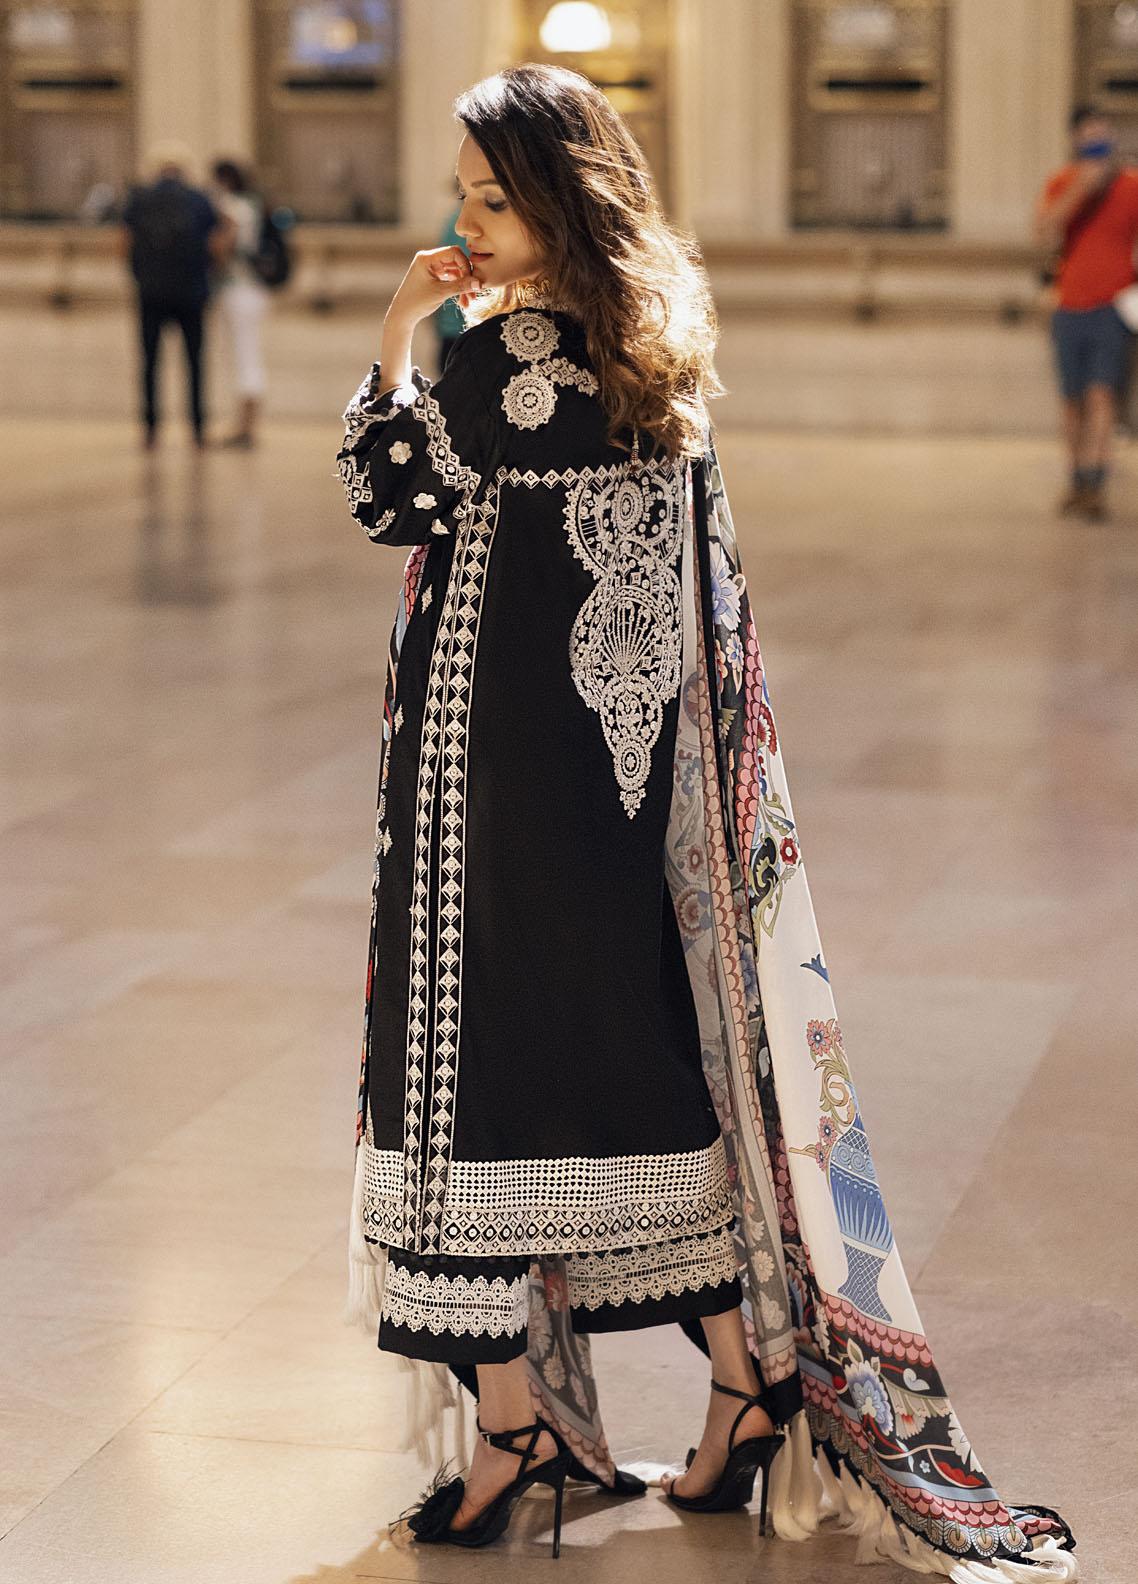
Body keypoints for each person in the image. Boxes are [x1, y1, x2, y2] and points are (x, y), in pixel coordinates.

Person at [338, 65, 1078, 1575]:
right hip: (628, 796)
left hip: (491, 791)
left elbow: (389, 495)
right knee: (637, 1058)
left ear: (557, 204)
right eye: (461, 202)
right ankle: (743, 1388)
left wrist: (396, 332)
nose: (464, 229)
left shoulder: (506, 358)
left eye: (490, 203)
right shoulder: (647, 344)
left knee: (463, 1079)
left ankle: (515, 1432)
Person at [1035, 104, 1138, 522]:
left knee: (1102, 395)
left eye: (1104, 134)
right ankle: (1076, 479)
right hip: (1068, 306)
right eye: (1090, 135)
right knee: (1071, 401)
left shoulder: (1130, 186)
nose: (1098, 141)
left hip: (1112, 307)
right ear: (1076, 139)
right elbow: (1044, 234)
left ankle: (1096, 482)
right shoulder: (1062, 183)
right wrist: (1081, 189)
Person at [120, 142, 233, 450]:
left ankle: (150, 428)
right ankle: (197, 428)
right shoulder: (199, 199)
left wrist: (138, 274)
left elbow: (124, 241)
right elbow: (217, 242)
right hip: (191, 291)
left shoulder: (139, 198)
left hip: (151, 291)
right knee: (195, 362)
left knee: (150, 362)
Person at [210, 158, 271, 448]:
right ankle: (246, 423)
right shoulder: (253, 204)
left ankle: (246, 425)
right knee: (247, 354)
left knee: (244, 356)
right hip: (254, 289)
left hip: (239, 288)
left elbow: (224, 245)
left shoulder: (231, 207)